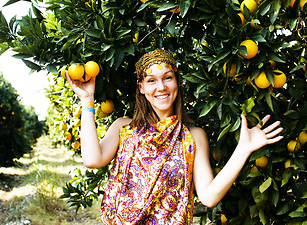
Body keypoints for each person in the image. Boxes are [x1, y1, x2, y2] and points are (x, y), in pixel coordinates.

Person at [66, 49, 283, 224]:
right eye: (151, 81)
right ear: (141, 87)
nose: (161, 87)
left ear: (176, 82)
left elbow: (208, 197)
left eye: (167, 78)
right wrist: (87, 101)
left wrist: (243, 150)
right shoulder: (124, 128)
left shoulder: (193, 136)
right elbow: (93, 160)